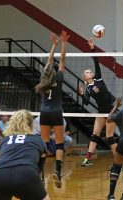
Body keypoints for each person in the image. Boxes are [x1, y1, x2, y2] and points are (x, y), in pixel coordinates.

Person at [0, 110, 49, 200]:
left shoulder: (5, 140)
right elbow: (40, 165)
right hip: (26, 173)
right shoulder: (38, 139)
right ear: (30, 124)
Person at [35, 30, 69, 188]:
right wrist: (63, 43)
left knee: (44, 143)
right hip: (56, 112)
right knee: (60, 144)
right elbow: (62, 60)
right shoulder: (59, 78)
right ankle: (57, 172)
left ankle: (40, 175)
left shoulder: (43, 79)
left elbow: (50, 62)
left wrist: (53, 45)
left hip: (44, 113)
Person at [79, 38, 116, 167]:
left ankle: (117, 159)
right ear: (85, 77)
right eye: (87, 72)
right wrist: (82, 94)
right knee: (95, 134)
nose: (90, 72)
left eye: (90, 71)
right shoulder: (88, 89)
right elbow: (86, 103)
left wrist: (92, 48)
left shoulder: (98, 79)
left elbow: (96, 61)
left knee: (109, 137)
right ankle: (88, 158)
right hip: (101, 111)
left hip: (111, 109)